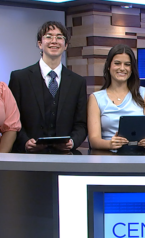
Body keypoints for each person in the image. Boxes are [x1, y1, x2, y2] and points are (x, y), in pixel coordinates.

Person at [8, 21, 88, 153]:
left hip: (64, 156)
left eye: (59, 37)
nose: (54, 41)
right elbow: (12, 120)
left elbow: (81, 123)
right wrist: (25, 142)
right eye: (49, 36)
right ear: (40, 44)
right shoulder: (20, 78)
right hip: (27, 157)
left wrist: (72, 142)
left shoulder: (77, 82)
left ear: (66, 45)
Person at [87, 44, 145, 150]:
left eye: (127, 64)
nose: (122, 68)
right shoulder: (96, 98)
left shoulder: (144, 93)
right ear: (108, 66)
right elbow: (93, 140)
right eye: (117, 63)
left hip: (140, 156)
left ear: (132, 68)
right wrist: (110, 144)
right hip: (109, 158)